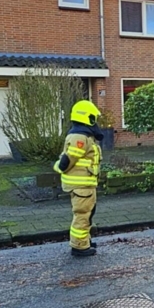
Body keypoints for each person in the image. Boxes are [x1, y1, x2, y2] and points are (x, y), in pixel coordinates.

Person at [54, 100, 102, 257]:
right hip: (81, 186)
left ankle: (84, 241)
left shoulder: (83, 135)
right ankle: (79, 246)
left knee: (87, 213)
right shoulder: (80, 137)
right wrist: (59, 167)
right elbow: (68, 160)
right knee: (82, 215)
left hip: (85, 185)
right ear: (87, 118)